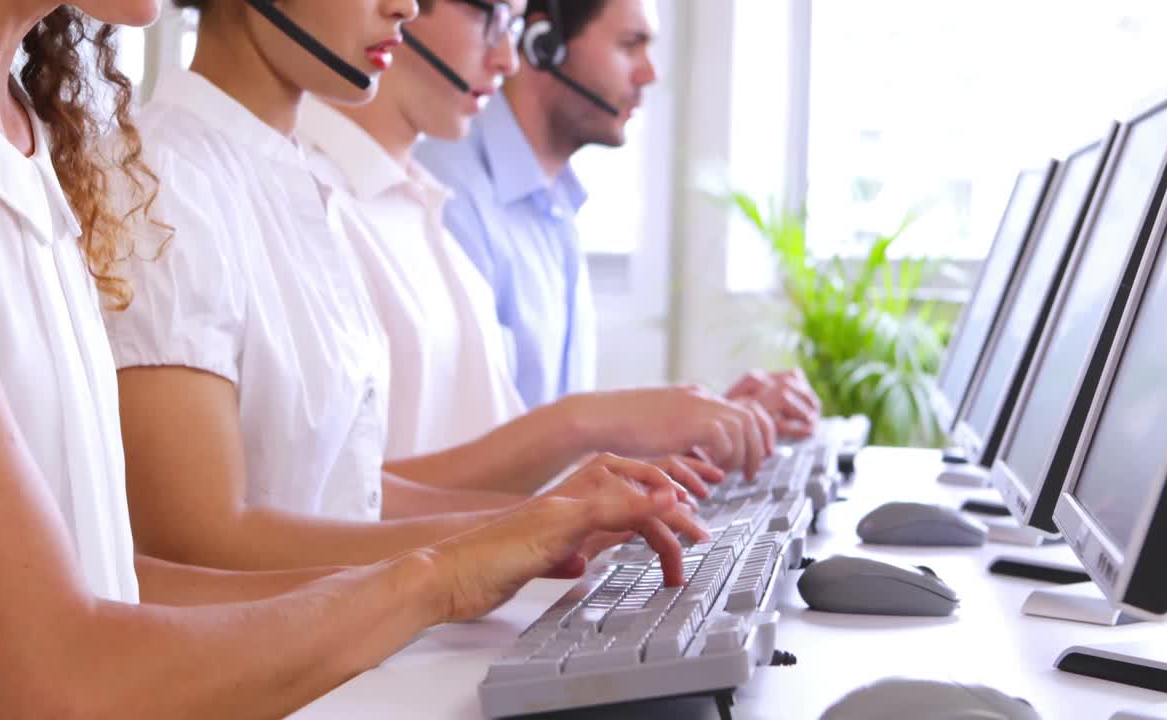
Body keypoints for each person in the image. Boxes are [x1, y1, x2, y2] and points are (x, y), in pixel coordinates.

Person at [0, 1, 713, 716]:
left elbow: (118, 578)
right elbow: (60, 671)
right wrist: (441, 574)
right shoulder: (7, 156)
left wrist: (505, 543)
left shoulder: (35, 135)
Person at [106, 0, 739, 575]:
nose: (405, 7)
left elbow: (347, 494)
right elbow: (194, 542)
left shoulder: (293, 177)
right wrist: (505, 538)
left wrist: (557, 516)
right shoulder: (161, 179)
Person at [295, 0, 776, 497]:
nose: (508, 59)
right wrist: (587, 431)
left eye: (513, 25)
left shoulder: (423, 198)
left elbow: (510, 462)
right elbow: (339, 499)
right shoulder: (370, 196)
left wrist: (689, 437)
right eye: (629, 44)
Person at [416, 0, 822, 436]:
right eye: (630, 45)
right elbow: (469, 460)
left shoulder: (554, 204)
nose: (650, 73)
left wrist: (708, 424)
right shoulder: (445, 193)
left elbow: (554, 451)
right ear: (541, 44)